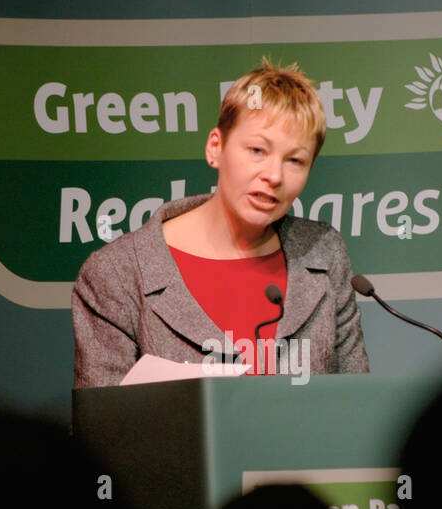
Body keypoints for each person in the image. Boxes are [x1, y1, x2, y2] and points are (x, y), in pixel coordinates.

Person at [71, 58, 370, 387]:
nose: (274, 175)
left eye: (295, 160)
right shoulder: (118, 272)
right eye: (257, 150)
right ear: (216, 147)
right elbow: (100, 428)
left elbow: (355, 404)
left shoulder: (324, 253)